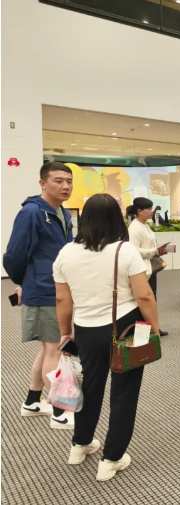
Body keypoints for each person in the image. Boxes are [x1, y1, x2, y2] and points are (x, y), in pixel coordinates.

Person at [53, 193, 159, 481]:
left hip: (85, 328)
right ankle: (111, 459)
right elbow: (144, 295)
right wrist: (154, 327)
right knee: (124, 392)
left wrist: (65, 332)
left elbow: (62, 300)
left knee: (89, 387)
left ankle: (80, 445)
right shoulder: (125, 251)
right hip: (125, 326)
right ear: (116, 219)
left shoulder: (66, 253)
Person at [3, 161, 75, 429]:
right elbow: (14, 255)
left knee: (48, 348)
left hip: (57, 289)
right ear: (43, 183)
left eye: (69, 181)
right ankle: (60, 412)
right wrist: (25, 282)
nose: (65, 186)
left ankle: (32, 402)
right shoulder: (32, 212)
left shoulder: (62, 213)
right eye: (58, 181)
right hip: (44, 290)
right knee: (54, 349)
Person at [127, 197, 169, 337]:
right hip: (141, 270)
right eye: (149, 209)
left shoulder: (145, 225)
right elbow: (134, 250)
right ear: (139, 211)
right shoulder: (134, 228)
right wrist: (154, 251)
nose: (152, 211)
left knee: (151, 299)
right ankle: (144, 331)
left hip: (149, 267)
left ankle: (153, 327)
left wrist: (157, 250)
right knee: (144, 300)